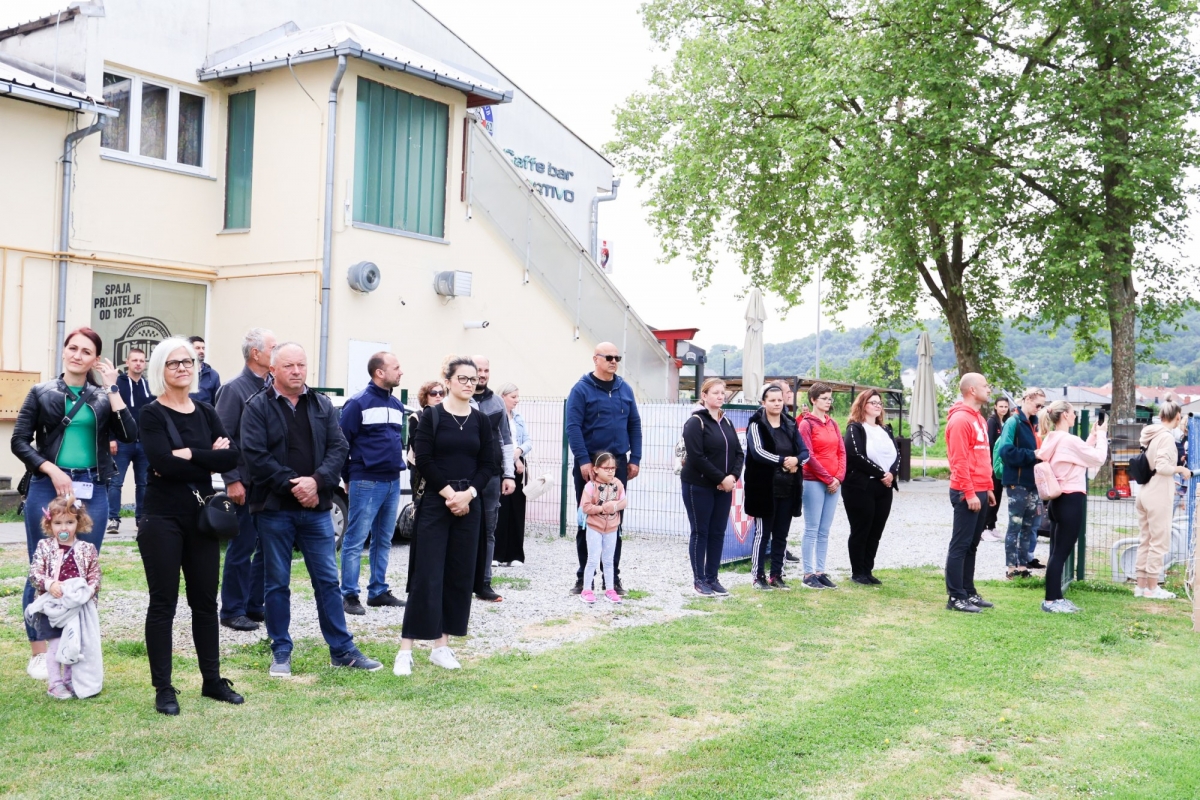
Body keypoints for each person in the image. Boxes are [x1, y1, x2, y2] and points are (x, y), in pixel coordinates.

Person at [240, 342, 382, 677]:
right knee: (277, 583)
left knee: (328, 582)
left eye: (301, 365)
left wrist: (316, 482)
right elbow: (256, 456)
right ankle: (281, 650)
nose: (296, 371)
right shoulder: (257, 406)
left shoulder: (321, 404)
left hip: (317, 509)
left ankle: (342, 650)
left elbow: (339, 447)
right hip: (274, 509)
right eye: (288, 366)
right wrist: (295, 485)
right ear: (273, 369)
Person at [12, 326, 135, 681]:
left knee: (82, 568)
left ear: (95, 359)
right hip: (47, 485)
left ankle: (74, 646)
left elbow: (130, 434)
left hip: (91, 487)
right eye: (73, 348)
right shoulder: (41, 392)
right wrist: (51, 470)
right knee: (43, 566)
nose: (78, 355)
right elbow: (19, 441)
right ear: (64, 351)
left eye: (86, 351)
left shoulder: (102, 396)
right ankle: (40, 652)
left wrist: (113, 389)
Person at [137, 337, 244, 714]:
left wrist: (188, 454)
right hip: (161, 518)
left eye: (187, 361)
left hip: (200, 520)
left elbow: (231, 457)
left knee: (205, 602)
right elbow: (162, 464)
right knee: (163, 603)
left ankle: (212, 681)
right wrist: (206, 457)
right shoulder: (151, 414)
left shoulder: (206, 411)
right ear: (160, 369)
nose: (182, 367)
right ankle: (164, 688)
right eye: (173, 363)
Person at [394, 357, 496, 676]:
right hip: (436, 504)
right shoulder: (432, 417)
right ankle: (405, 650)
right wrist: (451, 494)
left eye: (473, 379)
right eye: (462, 378)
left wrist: (469, 494)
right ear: (448, 381)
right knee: (426, 574)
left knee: (458, 576)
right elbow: (423, 459)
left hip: (469, 505)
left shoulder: (481, 421)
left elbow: (489, 464)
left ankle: (441, 647)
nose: (469, 383)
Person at [565, 342, 643, 595]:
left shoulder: (625, 389)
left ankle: (612, 578)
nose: (613, 361)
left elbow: (634, 425)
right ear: (595, 359)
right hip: (590, 463)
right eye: (608, 357)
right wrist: (583, 460)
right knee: (587, 520)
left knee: (614, 520)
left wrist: (635, 458)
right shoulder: (581, 389)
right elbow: (573, 427)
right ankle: (584, 578)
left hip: (617, 463)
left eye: (617, 357)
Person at [214, 327, 275, 632]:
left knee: (266, 548)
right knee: (242, 548)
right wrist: (232, 479)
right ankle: (232, 610)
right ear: (256, 353)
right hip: (245, 484)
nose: (278, 353)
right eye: (273, 348)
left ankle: (254, 604)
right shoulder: (234, 389)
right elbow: (222, 438)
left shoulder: (273, 387)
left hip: (269, 483)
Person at [339, 351, 407, 615]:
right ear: (380, 372)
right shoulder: (358, 404)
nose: (401, 372)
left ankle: (378, 591)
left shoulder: (397, 405)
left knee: (384, 539)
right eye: (396, 367)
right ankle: (349, 595)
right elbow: (341, 444)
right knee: (356, 539)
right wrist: (348, 478)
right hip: (366, 480)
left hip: (392, 481)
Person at [26, 496, 102, 699]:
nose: (64, 527)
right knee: (56, 644)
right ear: (49, 524)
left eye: (69, 522)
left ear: (79, 522)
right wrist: (49, 584)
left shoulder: (87, 549)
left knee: (72, 643)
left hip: (75, 608)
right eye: (58, 523)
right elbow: (35, 573)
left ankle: (69, 680)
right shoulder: (44, 546)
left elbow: (95, 575)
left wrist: (88, 592)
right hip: (51, 607)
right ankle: (55, 683)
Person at [1035, 401, 1108, 613]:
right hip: (1071, 499)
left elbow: (1077, 454)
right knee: (1060, 553)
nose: (1075, 416)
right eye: (1073, 412)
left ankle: (1056, 597)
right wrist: (1102, 435)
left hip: (1057, 501)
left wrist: (1092, 437)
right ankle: (1051, 600)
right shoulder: (1068, 440)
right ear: (1065, 415)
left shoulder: (1053, 438)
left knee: (1056, 552)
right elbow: (1098, 458)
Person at [680, 378, 745, 596]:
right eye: (715, 392)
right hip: (698, 485)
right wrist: (721, 478)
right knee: (701, 531)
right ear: (704, 396)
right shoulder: (695, 422)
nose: (720, 396)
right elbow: (697, 457)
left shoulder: (727, 422)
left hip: (724, 487)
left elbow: (739, 453)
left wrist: (733, 477)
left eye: (722, 392)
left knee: (718, 532)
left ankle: (712, 578)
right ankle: (699, 580)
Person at [745, 384, 808, 590]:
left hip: (788, 487)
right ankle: (758, 576)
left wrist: (796, 461)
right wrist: (784, 461)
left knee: (781, 534)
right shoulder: (756, 424)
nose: (777, 404)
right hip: (764, 488)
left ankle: (776, 575)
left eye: (780, 400)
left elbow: (805, 452)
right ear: (763, 402)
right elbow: (758, 452)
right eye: (772, 400)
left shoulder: (790, 424)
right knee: (762, 534)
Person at [944, 373, 998, 613]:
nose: (989, 389)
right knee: (960, 544)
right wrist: (969, 492)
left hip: (981, 489)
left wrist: (988, 487)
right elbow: (959, 461)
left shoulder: (979, 419)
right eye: (985, 386)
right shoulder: (960, 420)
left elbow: (982, 456)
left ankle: (968, 591)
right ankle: (955, 597)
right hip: (967, 491)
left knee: (972, 545)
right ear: (972, 390)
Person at [843, 389, 901, 586]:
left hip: (884, 487)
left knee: (876, 531)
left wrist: (891, 473)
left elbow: (897, 454)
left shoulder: (885, 430)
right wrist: (881, 473)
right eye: (873, 402)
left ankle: (868, 570)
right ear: (863, 405)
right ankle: (857, 572)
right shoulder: (855, 428)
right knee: (861, 529)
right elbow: (855, 455)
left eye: (879, 403)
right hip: (861, 486)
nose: (877, 406)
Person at [1133, 401, 1190, 600]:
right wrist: (1181, 470)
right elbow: (1162, 467)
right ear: (1177, 416)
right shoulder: (1166, 437)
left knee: (1145, 540)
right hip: (1158, 495)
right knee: (1158, 542)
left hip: (1145, 491)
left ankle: (1141, 587)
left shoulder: (1152, 435)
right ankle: (1152, 587)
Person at [470, 355, 515, 602]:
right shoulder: (459, 400)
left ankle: (484, 583)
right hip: (464, 477)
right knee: (464, 530)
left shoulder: (497, 403)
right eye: (478, 369)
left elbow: (506, 440)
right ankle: (461, 581)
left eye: (486, 370)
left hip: (492, 477)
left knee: (488, 530)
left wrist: (508, 474)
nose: (482, 374)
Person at [797, 383, 846, 589]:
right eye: (824, 398)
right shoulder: (806, 424)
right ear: (813, 400)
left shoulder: (833, 423)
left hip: (834, 482)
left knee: (824, 530)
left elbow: (841, 451)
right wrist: (827, 478)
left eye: (829, 398)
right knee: (812, 528)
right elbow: (808, 455)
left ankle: (820, 570)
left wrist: (838, 477)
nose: (828, 401)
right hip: (813, 481)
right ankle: (808, 573)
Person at [997, 388, 1047, 579]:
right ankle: (1011, 568)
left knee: (1028, 525)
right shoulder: (1013, 422)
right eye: (1037, 405)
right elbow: (1005, 451)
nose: (1039, 409)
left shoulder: (1034, 423)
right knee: (1015, 525)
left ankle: (1023, 566)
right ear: (1027, 399)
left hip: (1032, 482)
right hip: (1016, 482)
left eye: (1042, 406)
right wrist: (1033, 454)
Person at [106, 347, 154, 534]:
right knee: (116, 482)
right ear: (127, 362)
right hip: (121, 443)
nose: (138, 364)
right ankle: (113, 519)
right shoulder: (118, 384)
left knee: (143, 483)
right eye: (135, 360)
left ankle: (141, 519)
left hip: (144, 443)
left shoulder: (149, 386)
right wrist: (111, 438)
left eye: (142, 361)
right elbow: (109, 412)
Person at [579, 451, 628, 603]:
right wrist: (602, 509)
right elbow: (586, 507)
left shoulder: (618, 484)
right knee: (593, 559)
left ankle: (610, 590)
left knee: (608, 560)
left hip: (612, 528)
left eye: (613, 468)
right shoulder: (590, 486)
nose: (610, 471)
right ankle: (586, 589)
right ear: (595, 469)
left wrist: (614, 507)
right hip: (594, 527)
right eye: (606, 468)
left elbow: (624, 502)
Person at [494, 383, 533, 566]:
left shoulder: (518, 417)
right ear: (502, 396)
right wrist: (514, 458)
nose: (517, 400)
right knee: (500, 510)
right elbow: (499, 442)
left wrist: (519, 452)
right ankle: (496, 555)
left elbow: (528, 442)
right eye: (513, 397)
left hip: (519, 468)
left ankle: (515, 555)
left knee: (517, 510)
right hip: (502, 466)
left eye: (517, 396)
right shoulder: (496, 416)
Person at [982, 397, 1011, 539]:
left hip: (1000, 465)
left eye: (1006, 406)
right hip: (993, 465)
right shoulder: (992, 422)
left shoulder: (1006, 422)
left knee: (998, 495)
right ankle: (984, 527)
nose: (1003, 409)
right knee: (992, 495)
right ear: (995, 407)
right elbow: (990, 444)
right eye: (1001, 406)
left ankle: (992, 525)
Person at [187, 335, 221, 405]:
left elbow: (218, 403)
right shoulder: (182, 373)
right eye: (197, 348)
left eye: (203, 348)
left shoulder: (213, 375)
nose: (201, 351)